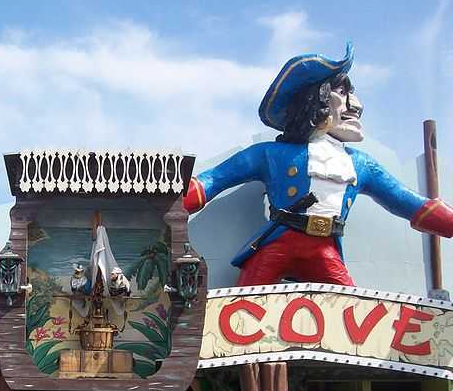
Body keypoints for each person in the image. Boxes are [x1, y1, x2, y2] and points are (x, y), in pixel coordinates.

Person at [182, 43, 453, 286]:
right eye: (342, 92)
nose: (356, 106)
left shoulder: (360, 165)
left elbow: (407, 202)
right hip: (277, 245)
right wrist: (177, 198)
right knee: (244, 308)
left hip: (326, 252)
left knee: (353, 316)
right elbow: (215, 179)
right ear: (316, 99)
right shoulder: (271, 154)